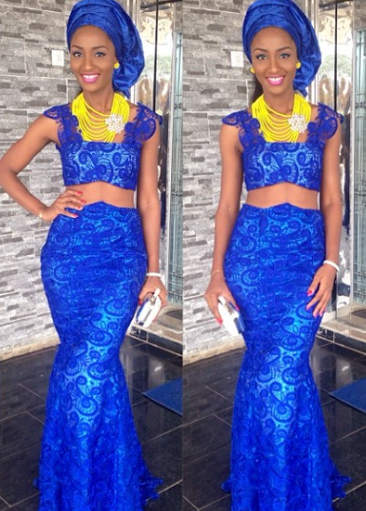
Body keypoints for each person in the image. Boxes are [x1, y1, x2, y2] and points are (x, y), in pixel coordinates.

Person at [0, 0, 166, 508]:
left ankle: (81, 483)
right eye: (77, 53)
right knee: (87, 361)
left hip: (122, 256)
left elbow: (149, 198)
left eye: (98, 52)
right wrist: (43, 209)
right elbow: (5, 169)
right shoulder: (58, 120)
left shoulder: (144, 122)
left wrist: (155, 270)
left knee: (89, 362)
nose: (86, 63)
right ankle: (100, 480)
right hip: (67, 257)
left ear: (117, 58)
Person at [204, 0, 350, 509]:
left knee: (282, 370)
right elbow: (227, 205)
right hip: (250, 259)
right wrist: (217, 274)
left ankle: (281, 486)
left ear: (299, 58)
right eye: (261, 56)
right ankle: (273, 481)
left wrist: (332, 263)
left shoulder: (326, 122)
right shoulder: (237, 126)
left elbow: (332, 200)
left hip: (306, 260)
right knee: (267, 366)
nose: (273, 66)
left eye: (283, 54)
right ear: (251, 62)